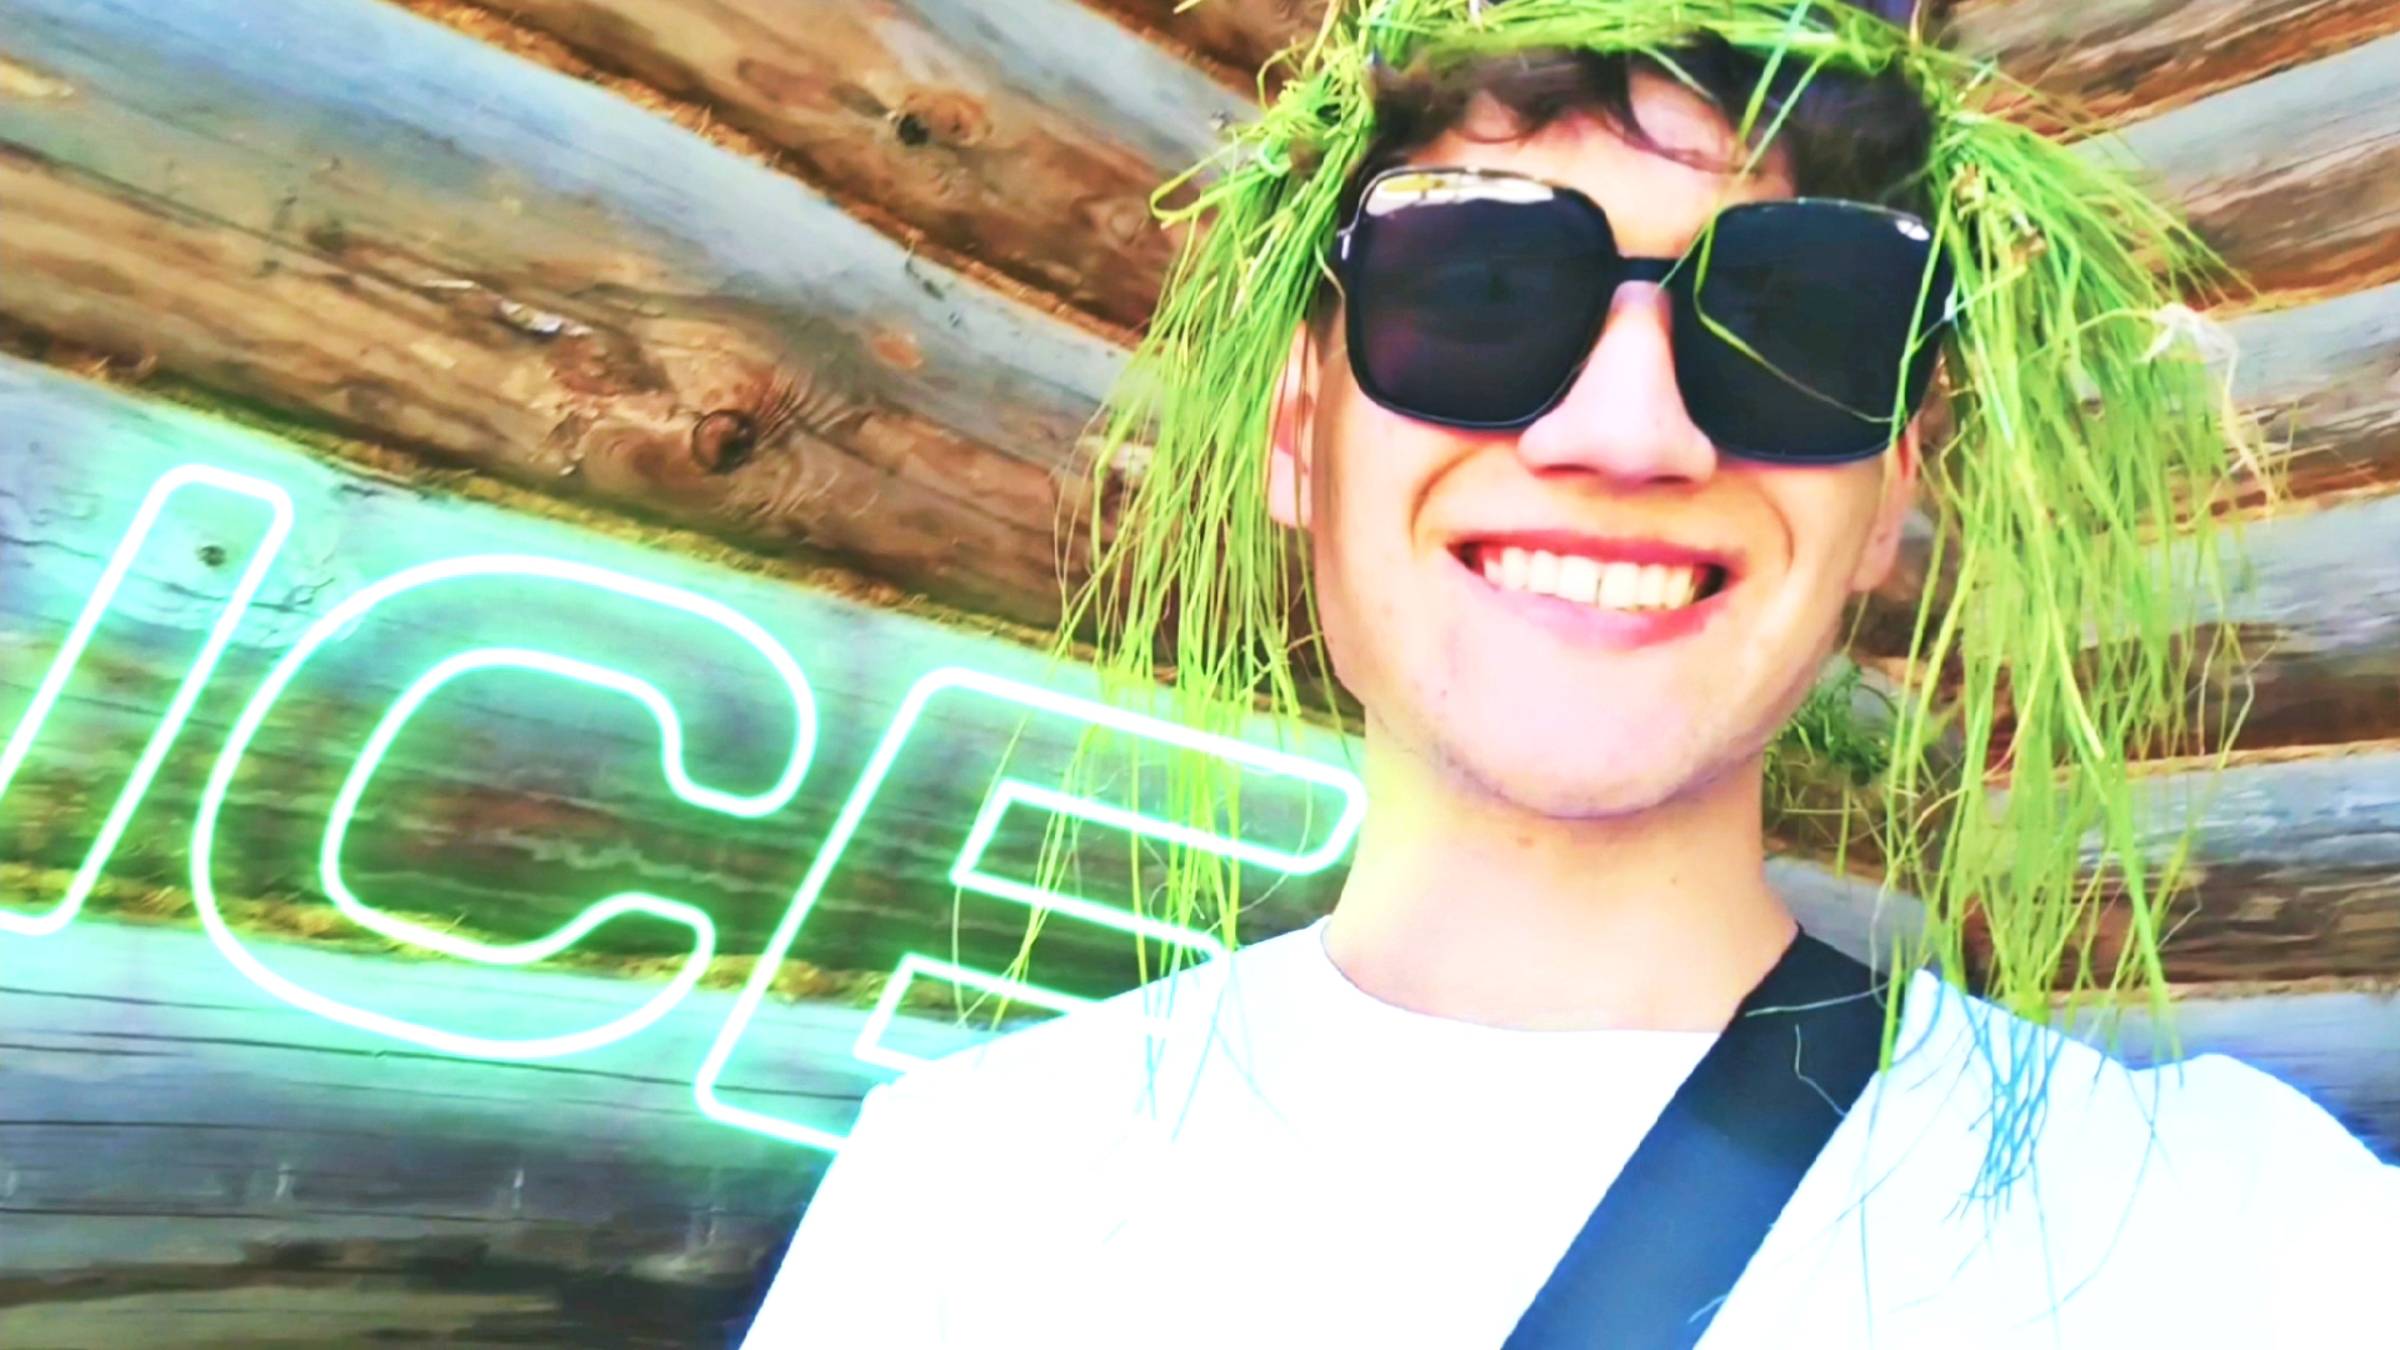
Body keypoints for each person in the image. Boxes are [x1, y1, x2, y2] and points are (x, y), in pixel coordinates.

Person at [741, 2, 2399, 1345]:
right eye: (1479, 288)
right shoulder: (960, 1208)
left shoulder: (2243, 1241)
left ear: (1893, 489)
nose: (1629, 430)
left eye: (1792, 324)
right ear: (1298, 428)